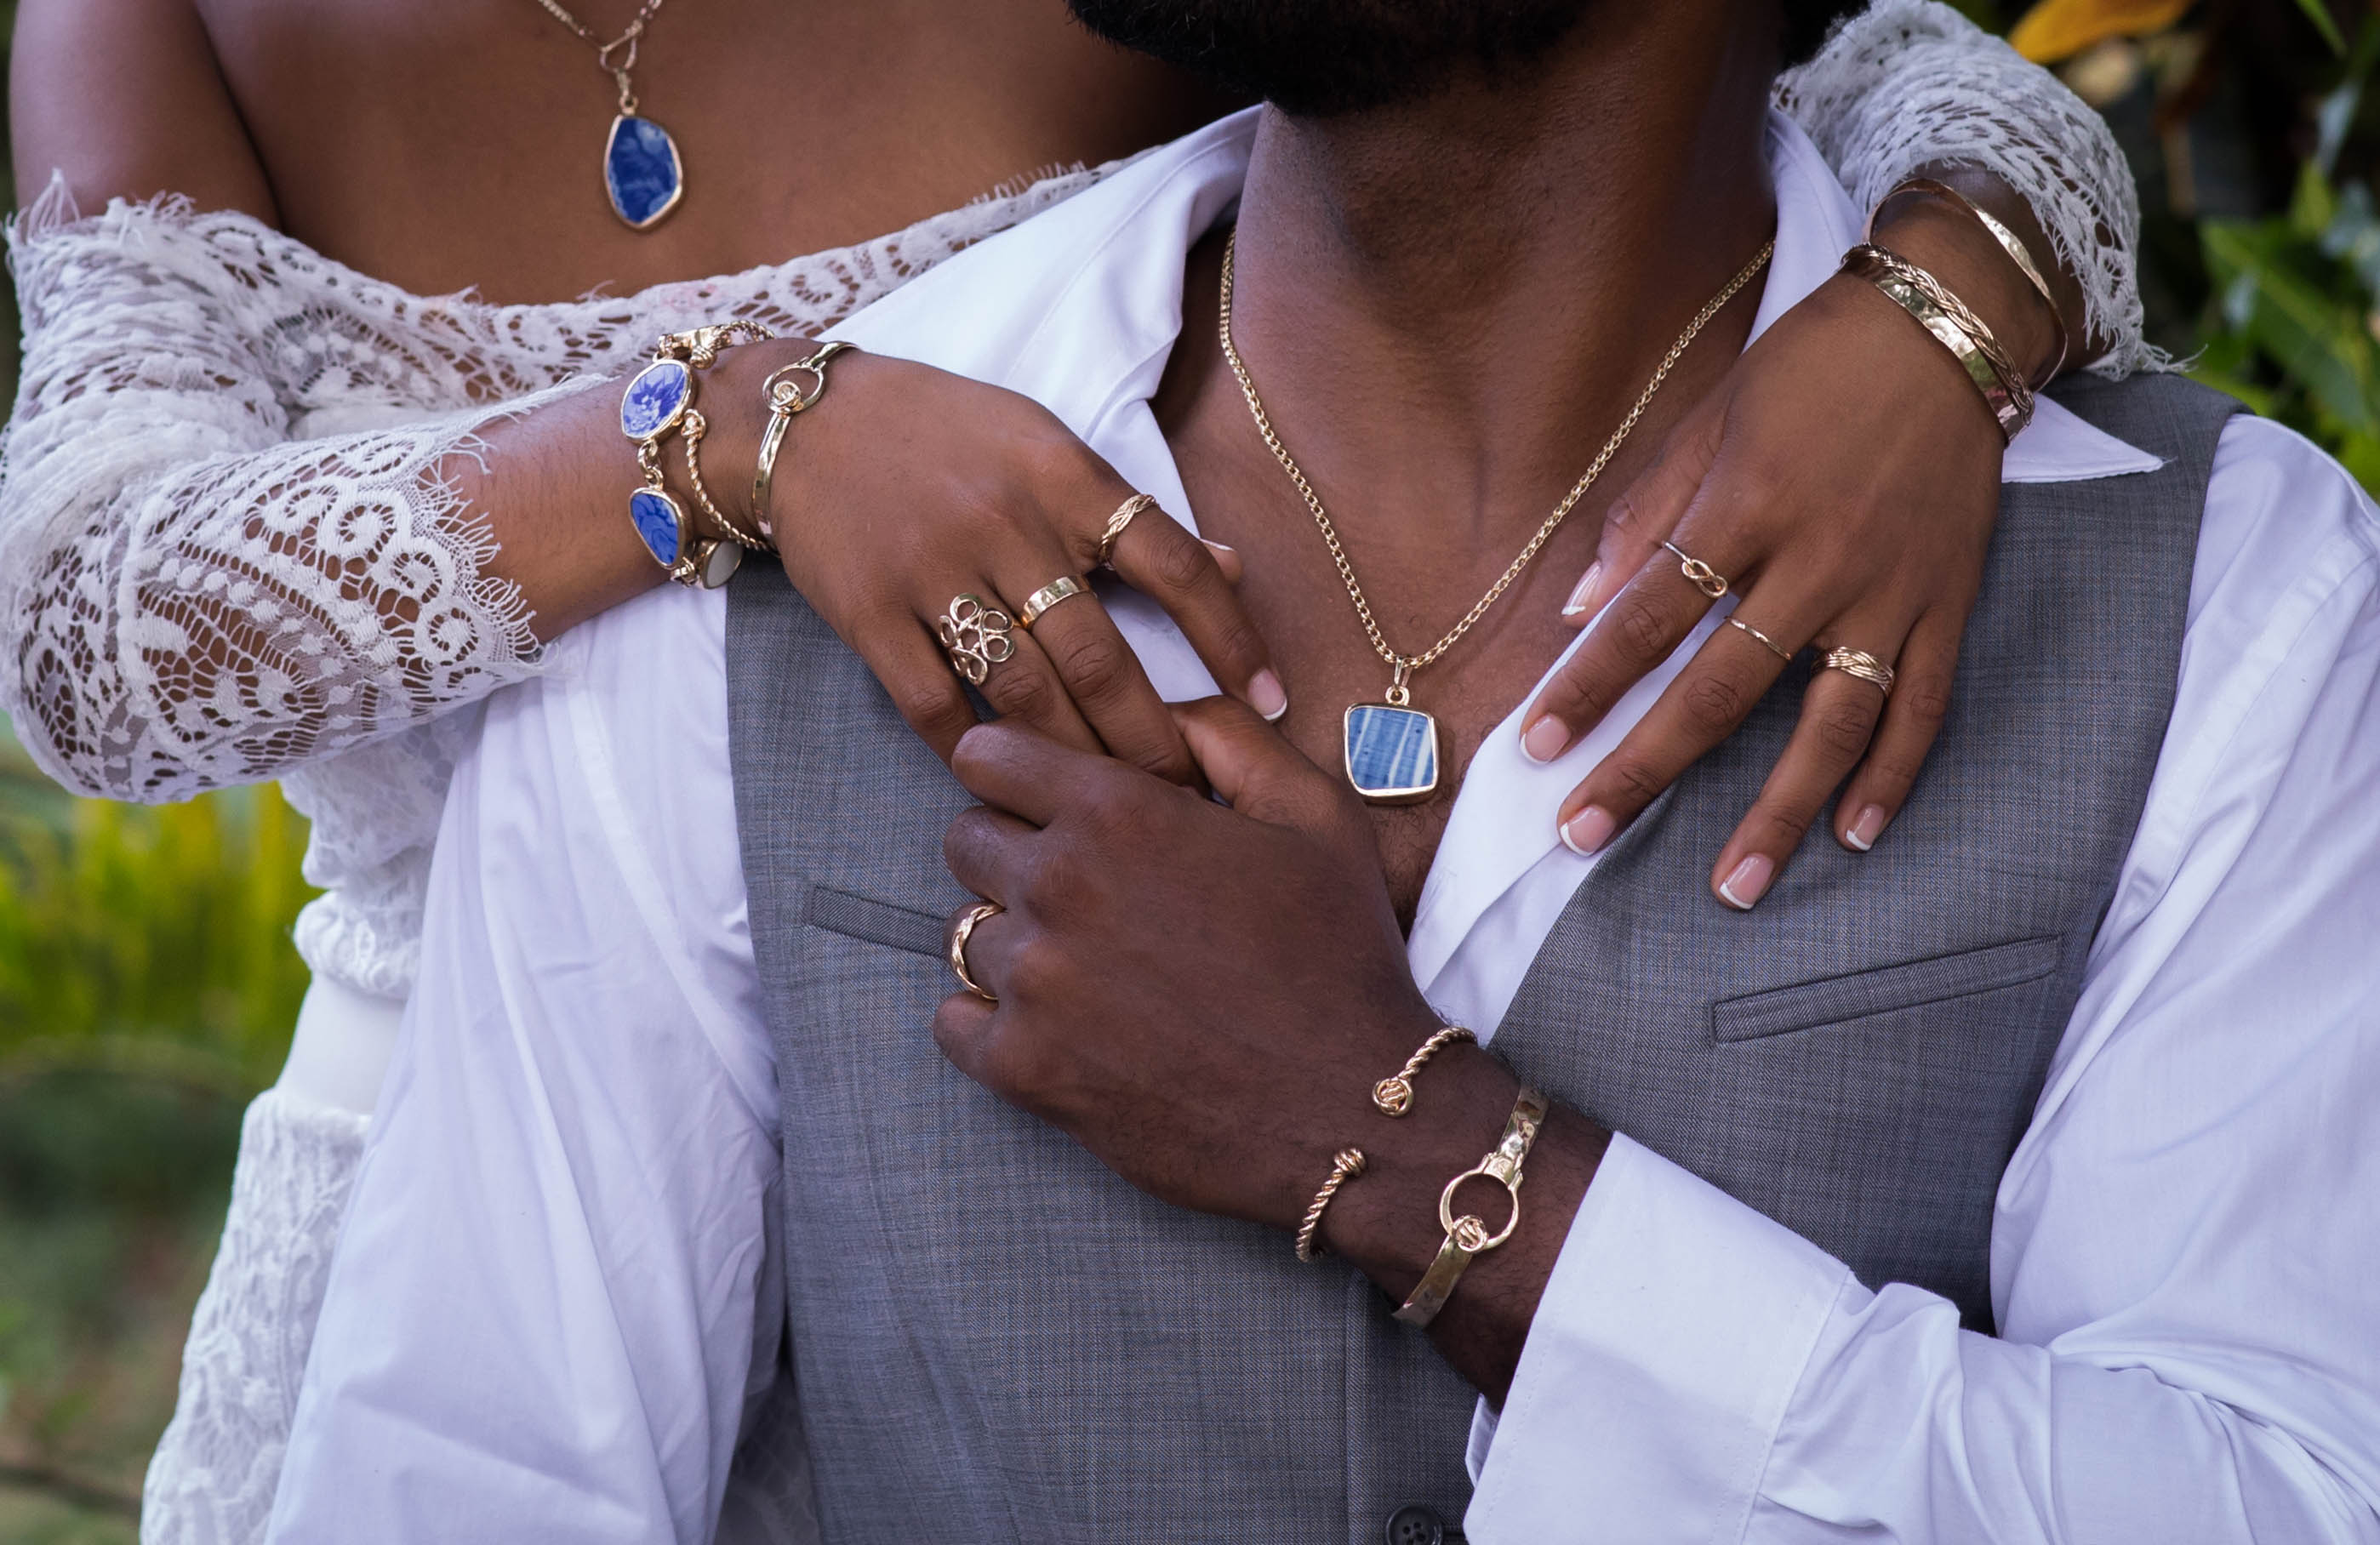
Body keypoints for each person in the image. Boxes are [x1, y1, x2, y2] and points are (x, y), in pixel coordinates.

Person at [0, 0, 2149, 1536]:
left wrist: (1945, 302)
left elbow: (1681, 71)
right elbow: (88, 632)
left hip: (1115, 1045)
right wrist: (725, 430)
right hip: (461, 1154)